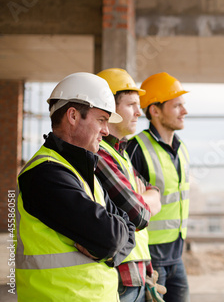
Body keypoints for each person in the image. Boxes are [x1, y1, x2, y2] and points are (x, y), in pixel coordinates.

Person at [15, 72, 136, 301]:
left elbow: (128, 229)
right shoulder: (44, 175)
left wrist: (109, 250)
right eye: (101, 120)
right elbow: (110, 237)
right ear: (72, 116)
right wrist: (109, 244)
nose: (106, 131)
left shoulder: (82, 171)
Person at [95, 68, 162, 301]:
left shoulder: (120, 153)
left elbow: (155, 193)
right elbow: (138, 213)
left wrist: (147, 197)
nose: (138, 113)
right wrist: (146, 199)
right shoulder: (100, 154)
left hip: (139, 272)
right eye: (132, 104)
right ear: (110, 108)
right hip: (121, 278)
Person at [126, 72, 190, 302]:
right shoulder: (135, 149)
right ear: (155, 110)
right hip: (150, 259)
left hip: (176, 255)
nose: (185, 111)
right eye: (177, 106)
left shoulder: (181, 148)